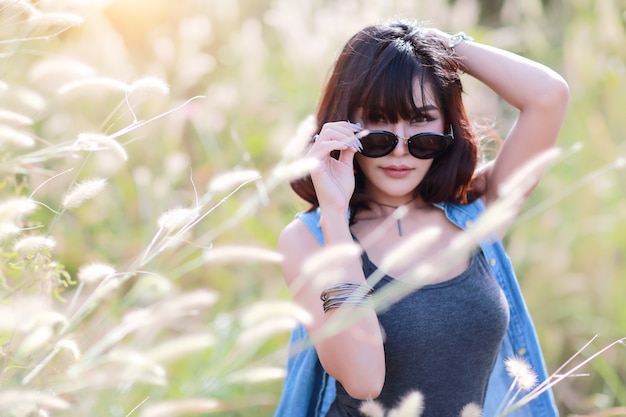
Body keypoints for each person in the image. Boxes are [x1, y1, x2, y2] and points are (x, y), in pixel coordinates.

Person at [275, 19, 569, 417]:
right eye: (379, 122)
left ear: (447, 126)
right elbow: (363, 379)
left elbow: (548, 96)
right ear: (345, 125)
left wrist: (432, 48)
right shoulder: (308, 239)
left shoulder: (475, 215)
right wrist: (333, 213)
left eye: (420, 121)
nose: (400, 149)